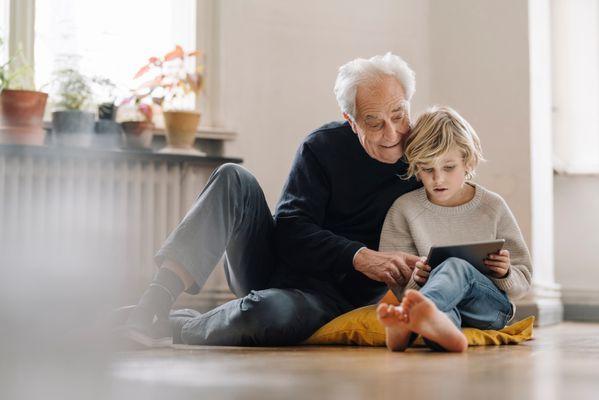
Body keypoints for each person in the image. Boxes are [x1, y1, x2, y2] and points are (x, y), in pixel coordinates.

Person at [121, 53, 423, 347]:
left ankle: (177, 324)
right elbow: (291, 230)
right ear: (351, 120)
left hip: (331, 299)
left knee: (270, 312)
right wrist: (359, 255)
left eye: (399, 115)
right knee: (232, 177)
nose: (392, 133)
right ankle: (152, 306)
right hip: (269, 266)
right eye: (374, 122)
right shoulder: (322, 146)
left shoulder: (423, 161)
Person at [376, 106, 533, 352]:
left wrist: (505, 274)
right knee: (438, 313)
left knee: (455, 266)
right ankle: (439, 331)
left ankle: (407, 324)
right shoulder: (404, 209)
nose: (438, 179)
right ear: (416, 167)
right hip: (444, 308)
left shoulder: (492, 206)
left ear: (467, 162)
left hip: (489, 309)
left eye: (449, 168)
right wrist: (416, 280)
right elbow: (397, 285)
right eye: (427, 169)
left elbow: (523, 281)